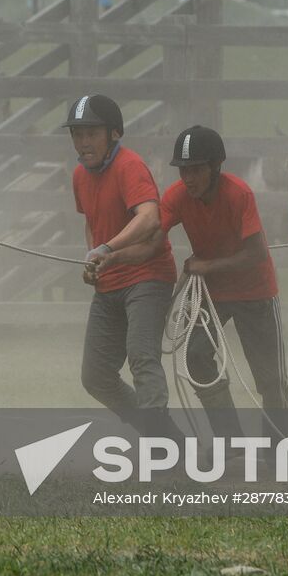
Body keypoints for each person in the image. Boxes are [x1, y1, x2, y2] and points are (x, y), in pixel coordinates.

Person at [158, 125, 288, 439]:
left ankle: (278, 446)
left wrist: (206, 265)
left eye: (196, 170)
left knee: (270, 378)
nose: (188, 178)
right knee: (194, 356)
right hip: (213, 293)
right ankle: (230, 440)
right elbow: (153, 233)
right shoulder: (177, 197)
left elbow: (257, 253)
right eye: (183, 170)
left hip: (255, 292)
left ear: (215, 167)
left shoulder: (238, 194)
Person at [64, 94, 183, 440]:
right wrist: (94, 258)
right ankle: (168, 437)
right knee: (96, 376)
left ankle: (160, 447)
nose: (83, 142)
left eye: (91, 133)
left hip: (147, 276)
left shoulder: (130, 166)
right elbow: (91, 221)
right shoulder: (80, 176)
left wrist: (108, 247)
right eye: (76, 134)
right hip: (110, 281)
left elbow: (149, 218)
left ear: (114, 134)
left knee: (142, 358)